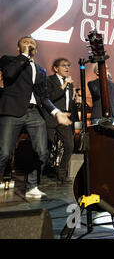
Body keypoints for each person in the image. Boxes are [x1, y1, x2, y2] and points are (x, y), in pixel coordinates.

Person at [0, 36, 72, 199]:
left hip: (34, 113)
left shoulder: (40, 70)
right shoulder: (8, 60)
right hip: (12, 111)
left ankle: (32, 186)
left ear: (36, 50)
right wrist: (24, 57)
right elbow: (10, 75)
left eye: (32, 44)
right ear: (18, 48)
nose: (29, 45)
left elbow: (44, 97)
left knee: (41, 151)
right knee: (3, 153)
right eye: (25, 43)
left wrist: (56, 112)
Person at [44, 58, 76, 183]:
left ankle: (61, 173)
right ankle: (42, 173)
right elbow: (50, 97)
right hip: (51, 117)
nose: (67, 68)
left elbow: (68, 101)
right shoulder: (49, 80)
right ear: (55, 68)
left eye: (68, 65)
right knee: (47, 147)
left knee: (69, 145)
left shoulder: (70, 83)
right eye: (64, 66)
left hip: (64, 118)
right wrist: (63, 85)